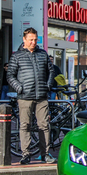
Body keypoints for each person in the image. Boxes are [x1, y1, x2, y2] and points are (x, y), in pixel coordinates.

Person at [6, 28, 56, 165]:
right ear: (24, 39)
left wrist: (48, 85)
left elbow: (51, 71)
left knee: (44, 125)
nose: (33, 42)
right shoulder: (17, 56)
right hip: (24, 96)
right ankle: (25, 155)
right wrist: (19, 88)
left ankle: (45, 154)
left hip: (41, 95)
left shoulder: (42, 54)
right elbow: (10, 75)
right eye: (31, 39)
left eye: (35, 39)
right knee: (25, 125)